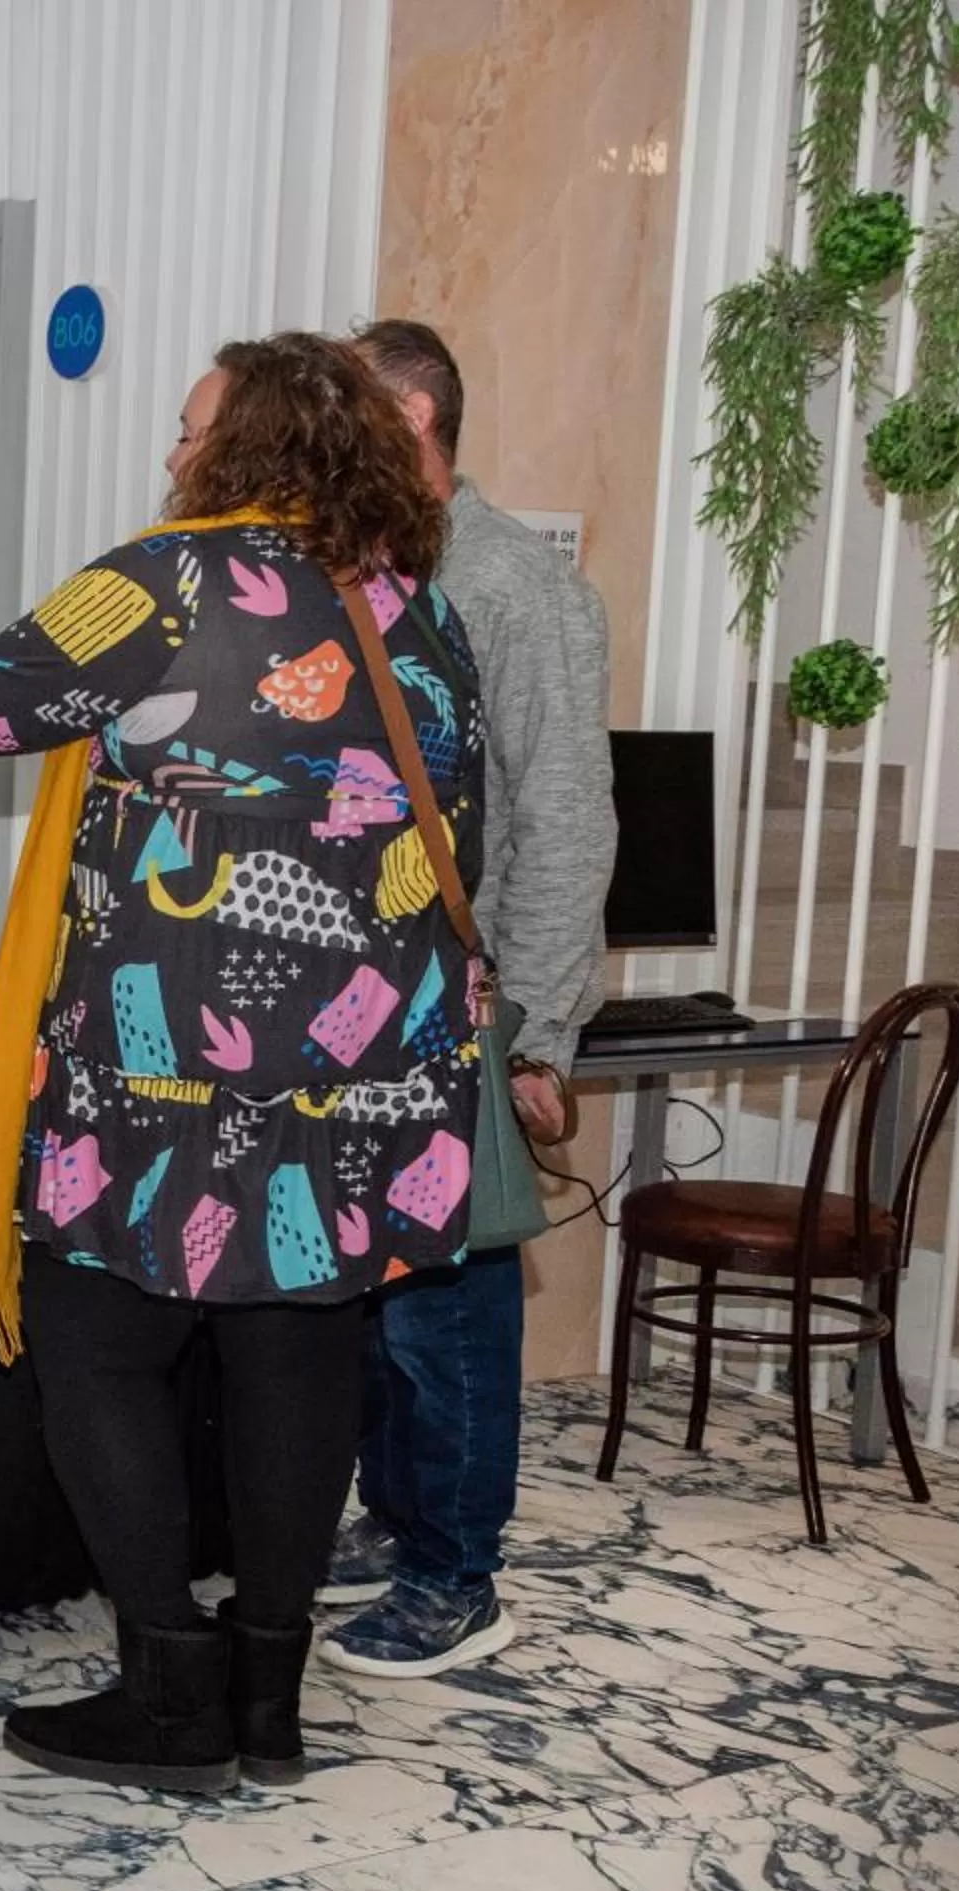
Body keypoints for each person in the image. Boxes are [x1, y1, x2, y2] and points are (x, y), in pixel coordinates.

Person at [0, 331, 484, 1792]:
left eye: (188, 429)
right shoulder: (419, 611)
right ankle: (270, 1703)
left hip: (169, 1076)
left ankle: (167, 1688)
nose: (170, 453)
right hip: (363, 1076)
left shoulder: (172, 579)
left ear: (247, 446)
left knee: (94, 1343)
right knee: (300, 1353)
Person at [314, 320, 616, 1678]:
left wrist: (543, 1029)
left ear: (417, 421)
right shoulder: (369, 575)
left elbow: (564, 816)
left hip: (473, 1007)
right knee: (387, 1296)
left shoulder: (510, 585)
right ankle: (393, 1521)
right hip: (371, 1008)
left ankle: (458, 1569)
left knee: (456, 1301)